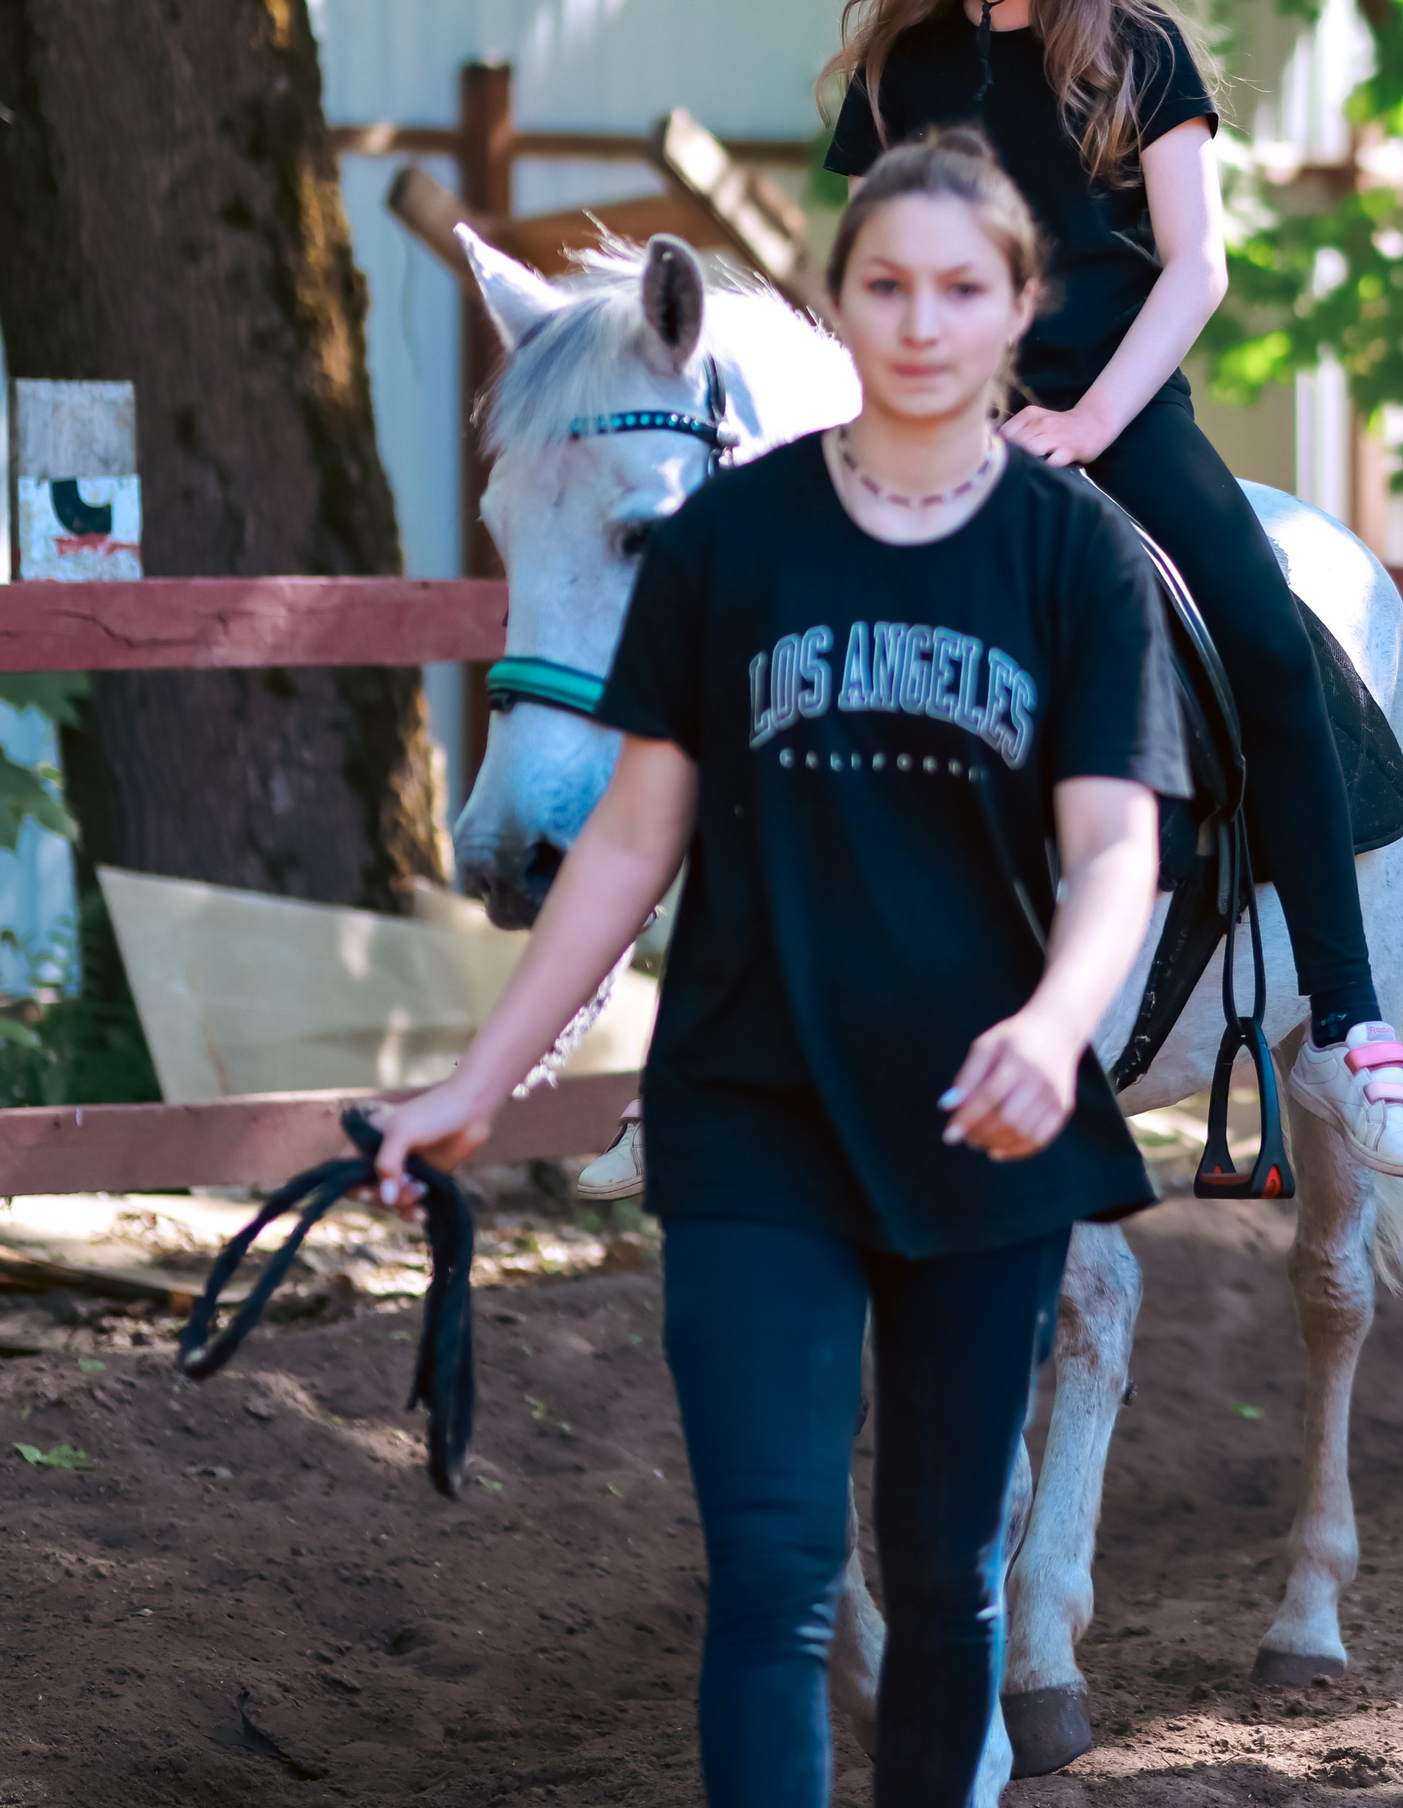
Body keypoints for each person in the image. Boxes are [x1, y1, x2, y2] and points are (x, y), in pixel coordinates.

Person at [373, 133, 1184, 1807]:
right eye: (885, 284)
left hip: (982, 1131)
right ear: (837, 302)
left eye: (962, 289)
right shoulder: (726, 549)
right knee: (771, 1583)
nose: (921, 321)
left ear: (1016, 309)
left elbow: (1115, 851)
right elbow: (626, 841)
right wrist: (480, 1081)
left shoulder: (1075, 562)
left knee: (951, 1589)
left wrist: (1056, 1022)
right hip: (753, 1119)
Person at [819, 0, 1403, 1180]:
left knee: (1271, 648)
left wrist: (1093, 423)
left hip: (1119, 408)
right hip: (947, 422)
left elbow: (1200, 267)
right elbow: (870, 268)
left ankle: (1355, 1030)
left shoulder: (1141, 48)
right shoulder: (903, 66)